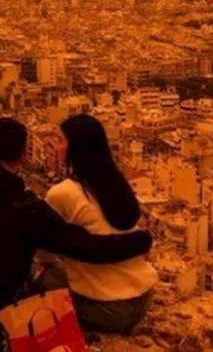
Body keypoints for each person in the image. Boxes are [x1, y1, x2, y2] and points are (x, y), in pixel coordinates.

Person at [0, 117, 153, 352]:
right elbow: (90, 248)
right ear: (23, 158)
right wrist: (141, 240)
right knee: (36, 276)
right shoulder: (29, 210)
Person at [37, 114, 157, 334]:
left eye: (61, 141)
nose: (56, 147)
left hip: (106, 312)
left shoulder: (61, 193)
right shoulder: (117, 185)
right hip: (142, 301)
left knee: (43, 273)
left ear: (77, 148)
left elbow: (45, 255)